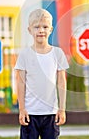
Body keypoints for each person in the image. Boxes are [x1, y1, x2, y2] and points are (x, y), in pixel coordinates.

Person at [14, 8, 69, 139]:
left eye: (45, 26)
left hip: (51, 114)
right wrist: (22, 109)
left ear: (50, 29)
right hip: (30, 114)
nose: (41, 30)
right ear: (29, 30)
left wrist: (62, 109)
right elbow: (20, 82)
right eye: (36, 27)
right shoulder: (25, 55)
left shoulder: (57, 53)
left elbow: (61, 82)